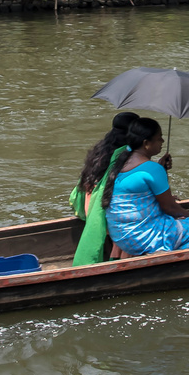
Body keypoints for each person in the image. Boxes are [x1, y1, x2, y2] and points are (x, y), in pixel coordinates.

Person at [105, 117, 189, 256]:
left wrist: (161, 168)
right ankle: (170, 262)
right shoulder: (153, 169)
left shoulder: (120, 161)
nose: (162, 142)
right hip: (141, 238)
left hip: (121, 237)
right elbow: (170, 207)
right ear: (146, 143)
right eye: (159, 138)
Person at [69, 112, 139, 266]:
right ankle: (121, 257)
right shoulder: (126, 155)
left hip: (87, 208)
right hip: (103, 216)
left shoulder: (101, 149)